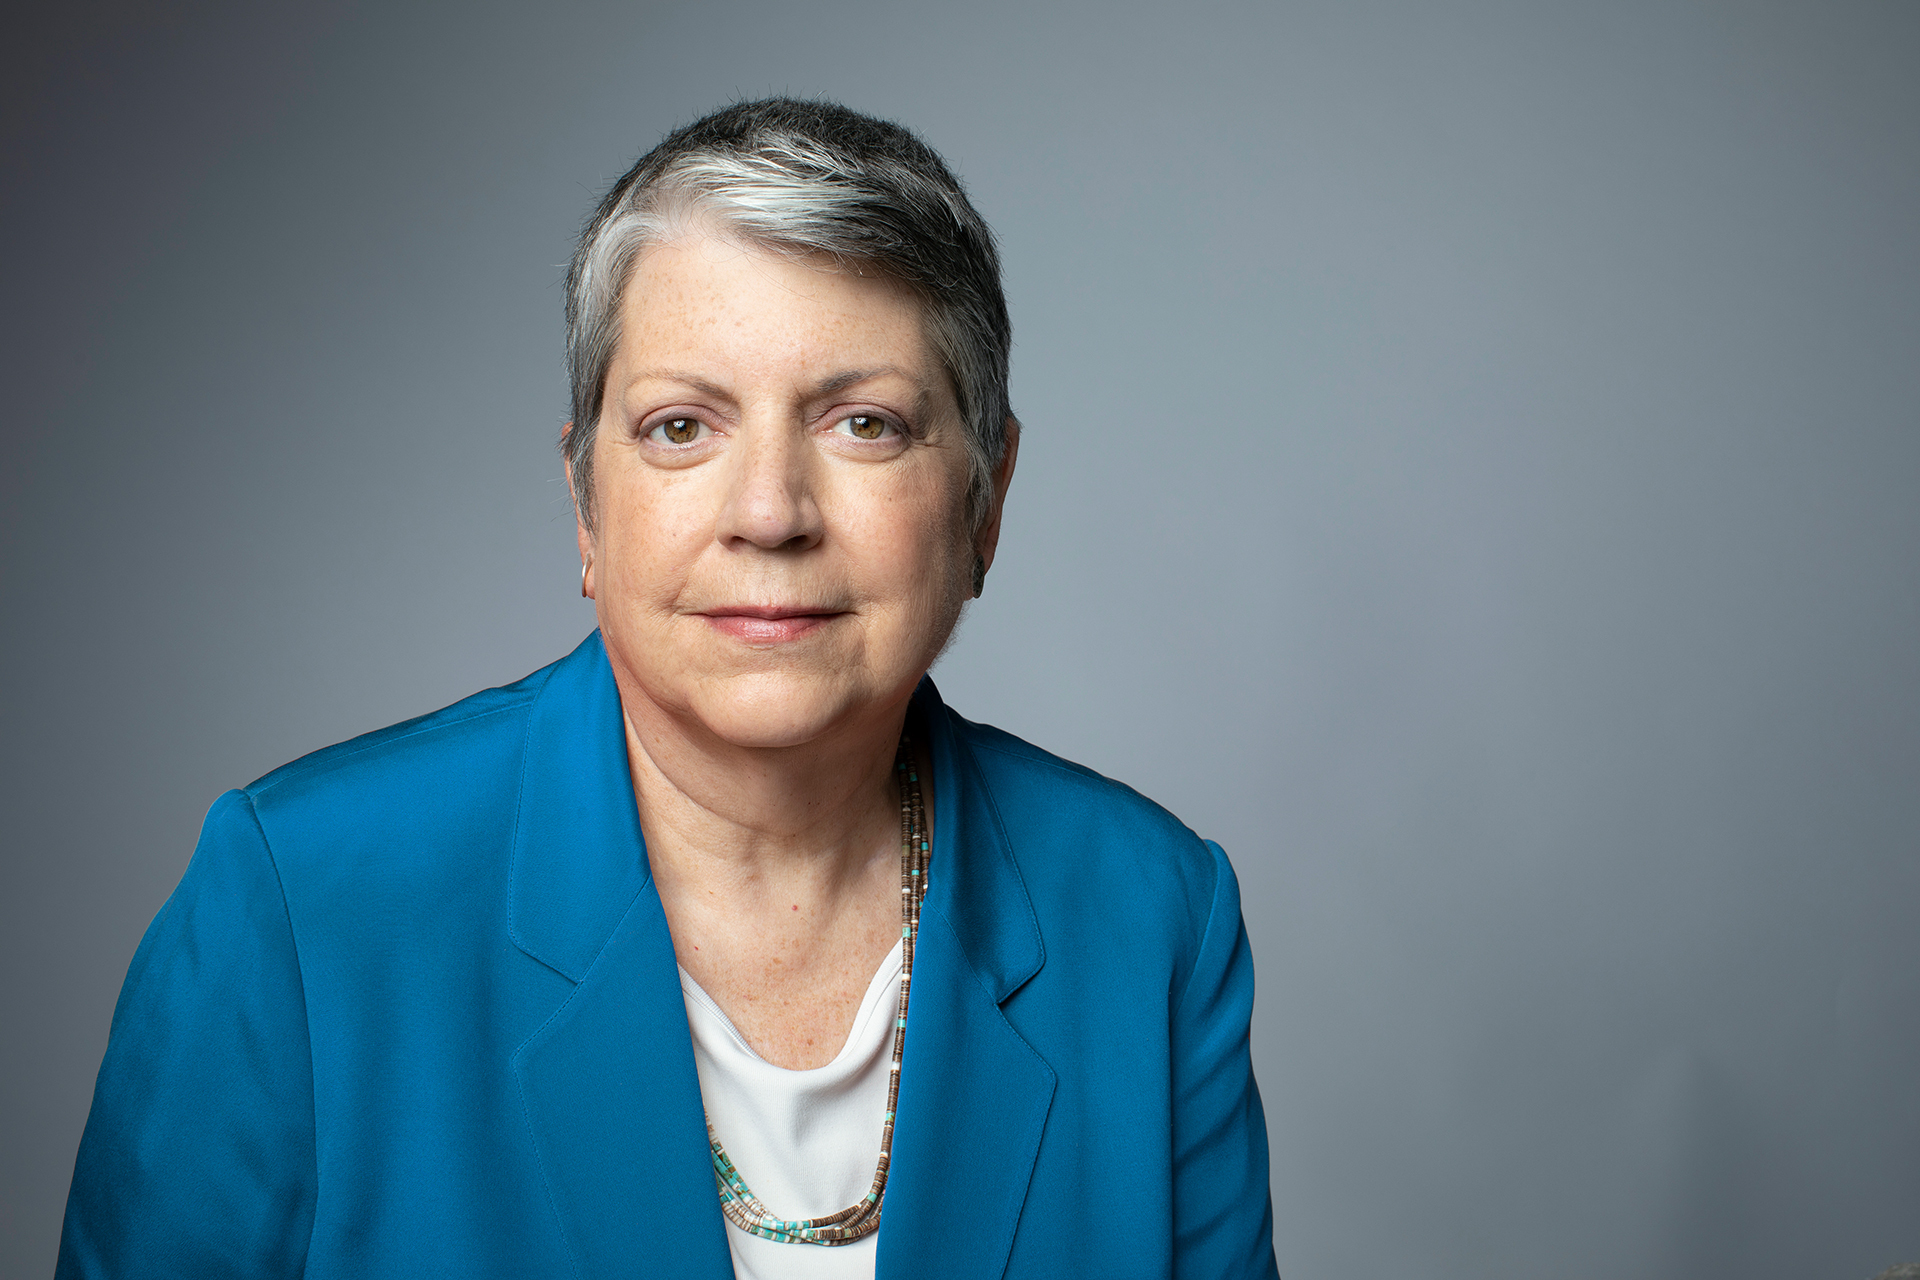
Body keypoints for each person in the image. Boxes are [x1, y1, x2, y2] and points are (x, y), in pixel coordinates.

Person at [57, 99, 1279, 1280]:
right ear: (587, 500)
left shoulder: (1151, 920)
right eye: (683, 427)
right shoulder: (302, 906)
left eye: (863, 422)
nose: (769, 513)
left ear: (987, 496)